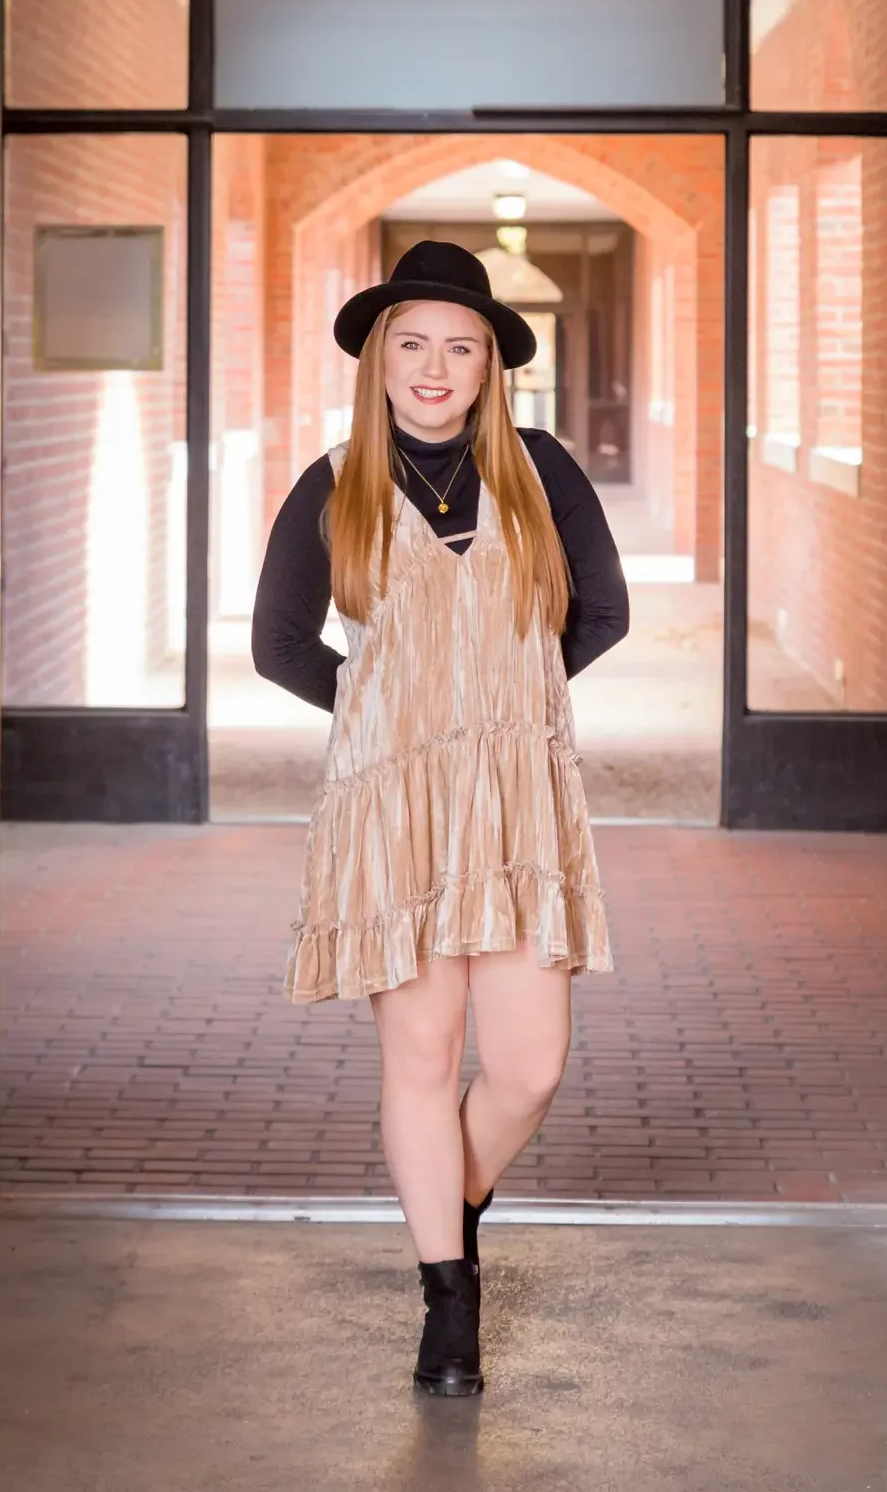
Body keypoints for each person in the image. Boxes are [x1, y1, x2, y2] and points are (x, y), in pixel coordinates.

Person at [252, 240, 629, 1396]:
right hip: (394, 811)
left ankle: (446, 1214)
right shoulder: (332, 482)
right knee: (419, 1057)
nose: (434, 365)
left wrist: (497, 708)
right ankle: (447, 1307)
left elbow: (603, 610)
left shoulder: (537, 468)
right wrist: (386, 722)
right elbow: (277, 647)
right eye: (412, 343)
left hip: (518, 802)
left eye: (459, 347)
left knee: (527, 1066)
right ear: (378, 358)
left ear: (486, 367)